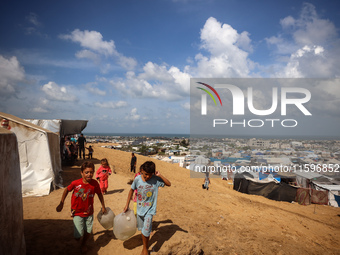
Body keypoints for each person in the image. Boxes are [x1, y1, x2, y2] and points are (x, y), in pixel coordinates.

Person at [56, 161, 107, 253]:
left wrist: (103, 206)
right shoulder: (76, 183)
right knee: (77, 236)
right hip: (77, 212)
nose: (89, 174)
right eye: (86, 172)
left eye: (91, 172)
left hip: (89, 212)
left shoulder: (95, 184)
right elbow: (66, 190)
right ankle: (79, 238)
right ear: (82, 173)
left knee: (88, 231)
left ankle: (83, 244)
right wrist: (61, 203)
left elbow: (99, 194)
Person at [124, 161, 171, 255]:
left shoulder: (155, 180)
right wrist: (127, 204)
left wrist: (160, 175)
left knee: (146, 230)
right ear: (142, 171)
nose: (147, 177)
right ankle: (145, 243)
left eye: (150, 175)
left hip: (150, 210)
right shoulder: (137, 179)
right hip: (140, 209)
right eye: (146, 174)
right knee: (142, 229)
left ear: (153, 173)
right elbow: (131, 190)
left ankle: (145, 248)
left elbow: (168, 184)